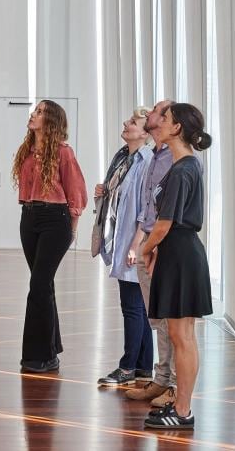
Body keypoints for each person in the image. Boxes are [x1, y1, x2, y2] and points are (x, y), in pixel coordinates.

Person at [142, 103, 213, 430]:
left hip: (181, 253)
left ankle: (182, 411)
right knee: (179, 333)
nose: (160, 122)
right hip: (178, 253)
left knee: (182, 336)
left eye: (166, 119)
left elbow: (163, 223)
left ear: (177, 129)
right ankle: (180, 405)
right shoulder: (183, 165)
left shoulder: (184, 168)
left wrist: (146, 248)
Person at [12, 100, 88, 373]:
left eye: (41, 112)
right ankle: (52, 349)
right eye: (36, 110)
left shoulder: (63, 152)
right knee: (44, 286)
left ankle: (38, 356)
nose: (34, 114)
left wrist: (73, 228)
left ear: (52, 121)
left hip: (56, 220)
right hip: (29, 218)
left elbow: (77, 193)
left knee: (38, 286)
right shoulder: (28, 152)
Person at [93, 107, 155, 387]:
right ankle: (143, 367)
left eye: (132, 122)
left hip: (132, 242)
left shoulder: (145, 162)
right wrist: (104, 193)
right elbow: (120, 199)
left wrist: (135, 245)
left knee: (132, 307)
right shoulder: (123, 157)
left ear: (145, 133)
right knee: (138, 307)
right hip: (121, 238)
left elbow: (146, 209)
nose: (125, 123)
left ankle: (127, 367)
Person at [125, 100, 178, 407]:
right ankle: (161, 379)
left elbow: (169, 212)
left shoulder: (175, 158)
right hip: (149, 242)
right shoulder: (154, 155)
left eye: (159, 111)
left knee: (170, 321)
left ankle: (170, 384)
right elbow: (147, 208)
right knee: (156, 317)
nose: (152, 114)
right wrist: (140, 244)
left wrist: (151, 245)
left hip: (164, 245)